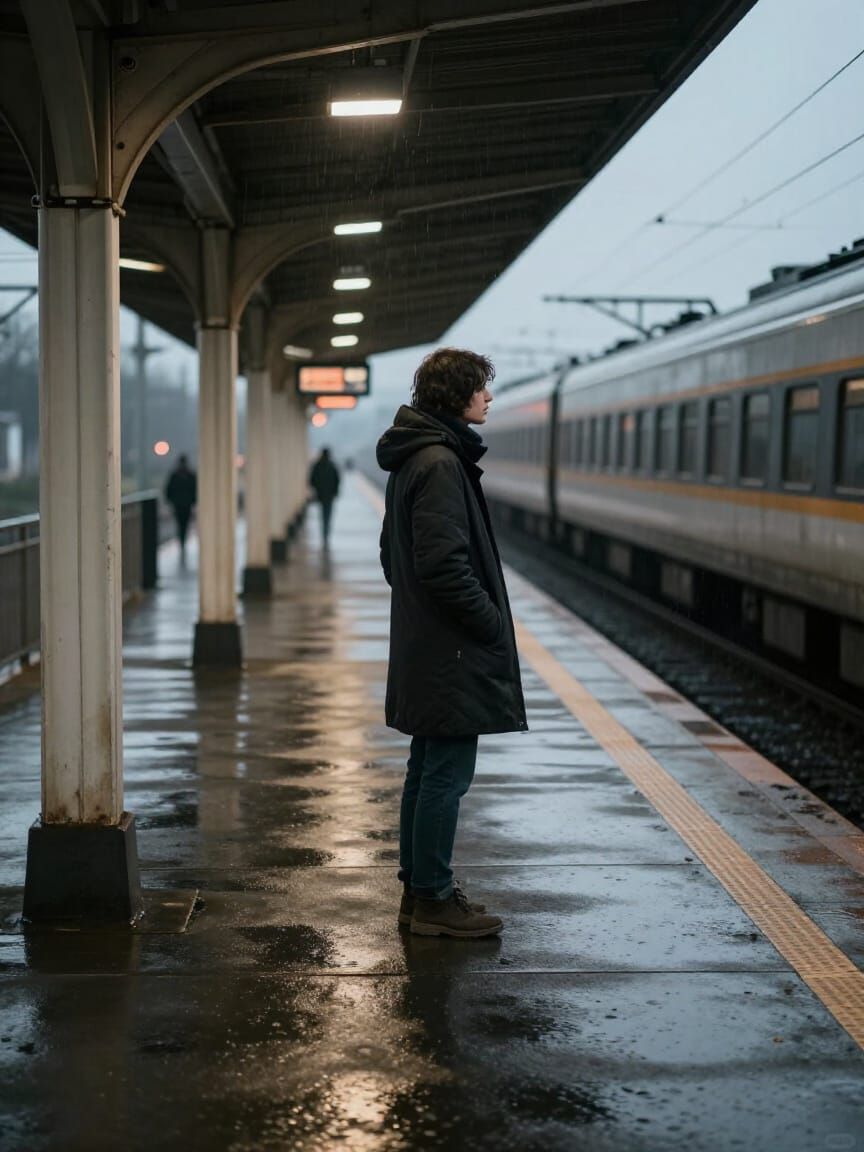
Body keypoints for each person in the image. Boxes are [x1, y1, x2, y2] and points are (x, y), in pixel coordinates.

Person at [376, 348, 527, 939]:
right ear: (457, 394)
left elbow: (395, 556)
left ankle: (421, 893)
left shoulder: (418, 458)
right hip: (451, 648)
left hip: (431, 642)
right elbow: (442, 566)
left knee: (428, 766)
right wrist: (489, 623)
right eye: (481, 389)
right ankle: (434, 899)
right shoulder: (440, 462)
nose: (488, 398)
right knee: (446, 773)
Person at [164, 454, 197, 562]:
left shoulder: (174, 475)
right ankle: (183, 541)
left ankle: (182, 541)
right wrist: (193, 502)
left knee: (180, 524)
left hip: (178, 505)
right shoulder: (191, 475)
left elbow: (168, 490)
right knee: (185, 524)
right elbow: (195, 491)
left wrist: (170, 501)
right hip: (186, 505)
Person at [308, 447, 340, 546]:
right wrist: (335, 492)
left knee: (322, 516)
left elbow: (311, 480)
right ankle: (326, 535)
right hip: (329, 497)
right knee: (328, 516)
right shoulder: (332, 466)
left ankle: (324, 534)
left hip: (320, 495)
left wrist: (317, 489)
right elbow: (337, 480)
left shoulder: (317, 466)